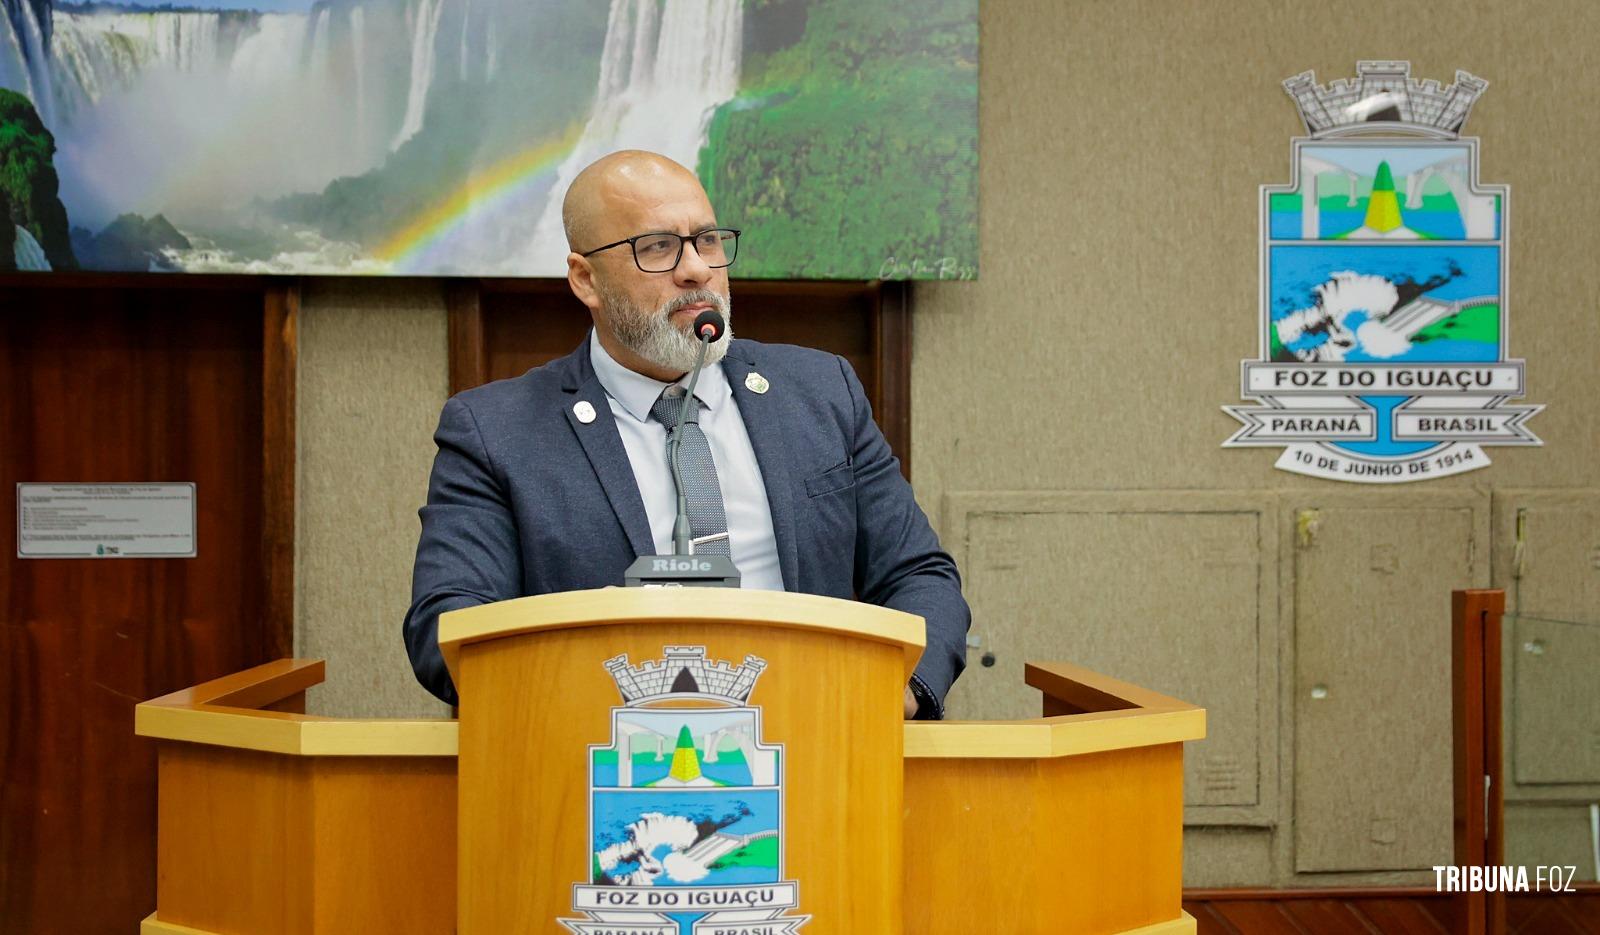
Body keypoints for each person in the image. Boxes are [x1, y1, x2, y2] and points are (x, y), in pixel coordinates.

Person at [403, 150, 968, 718]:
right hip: (599, 760)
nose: (696, 268)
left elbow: (918, 575)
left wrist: (899, 695)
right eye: (657, 248)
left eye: (708, 241)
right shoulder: (496, 431)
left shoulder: (822, 393)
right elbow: (446, 626)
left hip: (821, 737)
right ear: (585, 279)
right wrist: (581, 649)